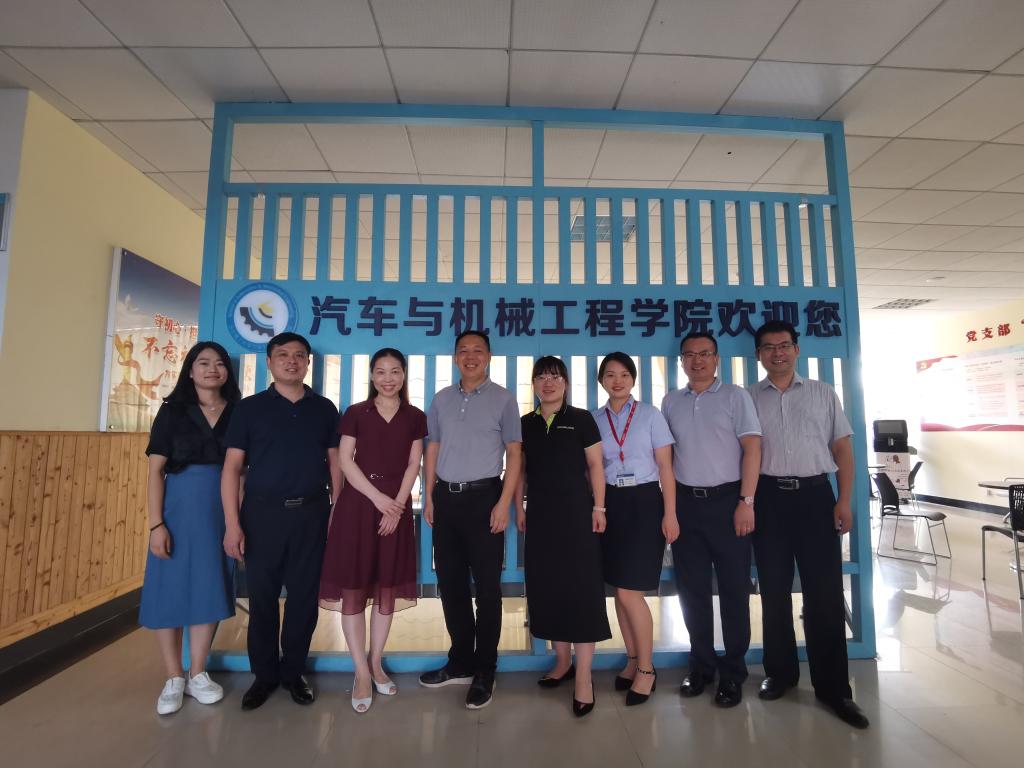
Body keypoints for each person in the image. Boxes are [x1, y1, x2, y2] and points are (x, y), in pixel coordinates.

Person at [749, 320, 869, 729]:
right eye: (769, 347)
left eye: (784, 345)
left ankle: (834, 688)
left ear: (796, 349)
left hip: (816, 497)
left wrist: (844, 500)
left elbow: (842, 449)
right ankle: (780, 674)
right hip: (768, 499)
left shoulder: (823, 393)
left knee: (825, 593)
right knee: (773, 590)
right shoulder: (749, 398)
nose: (777, 353)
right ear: (759, 355)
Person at [221, 332, 341, 711]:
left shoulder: (324, 408)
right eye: (283, 355)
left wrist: (336, 509)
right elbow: (232, 469)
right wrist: (232, 524)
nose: (292, 361)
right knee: (263, 599)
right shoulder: (249, 409)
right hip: (262, 516)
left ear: (308, 363)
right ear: (269, 362)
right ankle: (264, 676)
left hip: (311, 514)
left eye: (300, 355)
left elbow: (335, 463)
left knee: (304, 600)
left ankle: (293, 673)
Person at [319, 348, 426, 714]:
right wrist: (379, 499)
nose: (388, 378)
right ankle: (361, 672)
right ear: (371, 375)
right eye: (380, 371)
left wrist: (397, 505)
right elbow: (345, 461)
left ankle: (376, 662)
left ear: (404, 375)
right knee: (353, 587)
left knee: (385, 588)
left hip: (395, 508)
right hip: (359, 506)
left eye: (395, 371)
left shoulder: (415, 416)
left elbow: (414, 463)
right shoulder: (355, 413)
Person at [419, 330, 522, 710]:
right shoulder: (441, 399)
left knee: (488, 590)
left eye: (478, 350)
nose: (470, 356)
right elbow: (432, 448)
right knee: (451, 585)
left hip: (485, 499)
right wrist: (428, 494)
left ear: (489, 356)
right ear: (455, 357)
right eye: (463, 350)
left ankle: (484, 669)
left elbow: (515, 454)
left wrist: (504, 503)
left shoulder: (504, 399)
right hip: (446, 499)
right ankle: (460, 660)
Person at [661, 332, 761, 708]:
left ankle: (733, 672)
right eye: (689, 355)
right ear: (682, 362)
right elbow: (666, 459)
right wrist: (670, 510)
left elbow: (753, 448)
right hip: (687, 505)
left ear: (716, 359)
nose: (697, 361)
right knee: (692, 591)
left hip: (728, 504)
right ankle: (701, 666)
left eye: (704, 354)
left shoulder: (736, 396)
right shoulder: (671, 401)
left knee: (734, 590)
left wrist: (746, 501)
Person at [140, 341, 240, 715]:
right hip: (178, 510)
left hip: (221, 509)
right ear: (191, 370)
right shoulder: (172, 411)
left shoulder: (238, 412)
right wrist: (156, 524)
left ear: (227, 371)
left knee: (208, 586)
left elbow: (243, 470)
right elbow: (155, 471)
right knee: (170, 589)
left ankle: (198, 672)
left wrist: (236, 520)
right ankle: (173, 676)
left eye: (219, 363)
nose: (212, 369)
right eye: (203, 362)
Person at [516, 356, 610, 717]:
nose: (548, 383)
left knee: (582, 590)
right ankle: (561, 662)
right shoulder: (525, 423)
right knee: (549, 587)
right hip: (540, 518)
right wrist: (519, 508)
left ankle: (584, 676)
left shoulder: (581, 419)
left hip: (578, 517)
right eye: (541, 377)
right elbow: (520, 471)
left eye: (554, 377)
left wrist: (599, 507)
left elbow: (596, 465)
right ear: (534, 384)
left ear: (566, 383)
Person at [592, 352, 678, 706]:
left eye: (625, 374)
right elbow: (592, 467)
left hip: (645, 502)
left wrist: (670, 514)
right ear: (602, 380)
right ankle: (631, 660)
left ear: (633, 379)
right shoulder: (595, 419)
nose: (618, 381)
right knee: (618, 590)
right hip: (610, 502)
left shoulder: (650, 415)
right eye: (610, 375)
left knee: (631, 593)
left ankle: (646, 669)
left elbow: (666, 467)